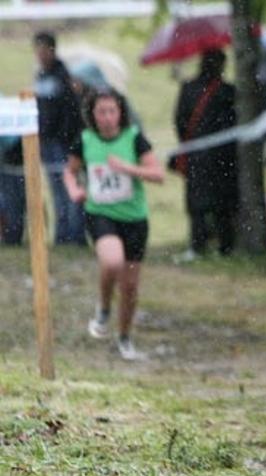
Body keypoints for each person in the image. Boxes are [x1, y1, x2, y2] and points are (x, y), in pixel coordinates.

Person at [63, 88, 164, 360]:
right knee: (111, 262)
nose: (107, 117)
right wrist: (74, 190)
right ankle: (104, 308)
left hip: (134, 220)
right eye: (101, 112)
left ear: (120, 113)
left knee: (130, 287)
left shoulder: (134, 139)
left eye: (112, 111)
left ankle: (124, 337)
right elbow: (69, 172)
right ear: (92, 115)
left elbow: (158, 175)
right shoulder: (84, 140)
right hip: (100, 214)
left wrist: (128, 168)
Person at [173, 49, 237, 258]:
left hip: (196, 155)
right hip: (224, 157)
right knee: (222, 204)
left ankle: (198, 245)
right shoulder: (228, 92)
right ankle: (225, 245)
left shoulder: (189, 89)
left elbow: (180, 121)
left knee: (197, 203)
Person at [33, 31, 86, 246]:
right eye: (38, 50)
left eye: (44, 49)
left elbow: (71, 111)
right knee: (56, 191)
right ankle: (62, 235)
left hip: (63, 143)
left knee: (69, 189)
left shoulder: (64, 76)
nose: (41, 54)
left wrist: (65, 138)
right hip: (47, 143)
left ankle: (75, 235)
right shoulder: (41, 77)